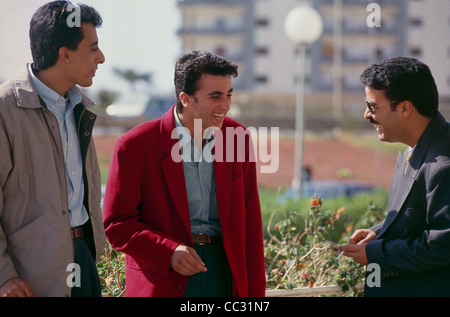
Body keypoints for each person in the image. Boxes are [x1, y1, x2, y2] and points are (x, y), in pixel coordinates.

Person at [103, 50, 266, 297]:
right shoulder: (135, 145)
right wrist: (168, 252)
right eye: (215, 97)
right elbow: (117, 224)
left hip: (225, 273)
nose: (225, 105)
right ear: (186, 98)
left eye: (229, 95)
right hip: (163, 279)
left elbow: (250, 224)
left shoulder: (238, 138)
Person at [0, 1, 106, 297]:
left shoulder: (79, 108)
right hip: (30, 274)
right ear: (65, 54)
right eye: (93, 48)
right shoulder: (5, 109)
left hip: (83, 257)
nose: (102, 58)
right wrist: (3, 276)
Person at [338, 57, 450, 296]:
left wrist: (377, 253)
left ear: (405, 108)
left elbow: (443, 244)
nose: (367, 115)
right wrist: (380, 232)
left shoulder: (443, 163)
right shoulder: (418, 147)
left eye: (373, 106)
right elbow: (416, 221)